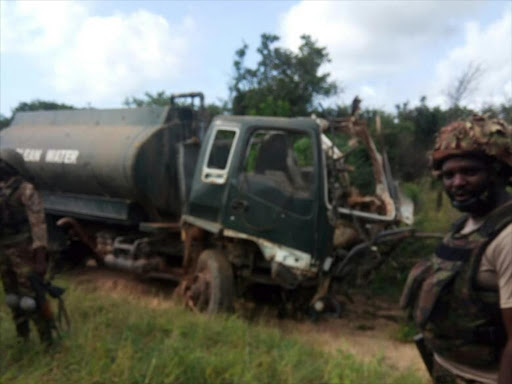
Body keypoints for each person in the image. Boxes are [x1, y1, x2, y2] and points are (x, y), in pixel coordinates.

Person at [400, 114, 512, 384]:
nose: (457, 183)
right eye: (448, 175)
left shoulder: (507, 238)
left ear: (498, 172)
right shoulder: (466, 224)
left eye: (470, 172)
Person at [0, 148, 54, 344]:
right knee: (13, 298)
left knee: (32, 298)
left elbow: (38, 225)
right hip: (4, 249)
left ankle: (47, 339)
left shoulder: (26, 190)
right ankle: (22, 337)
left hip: (23, 249)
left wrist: (40, 258)